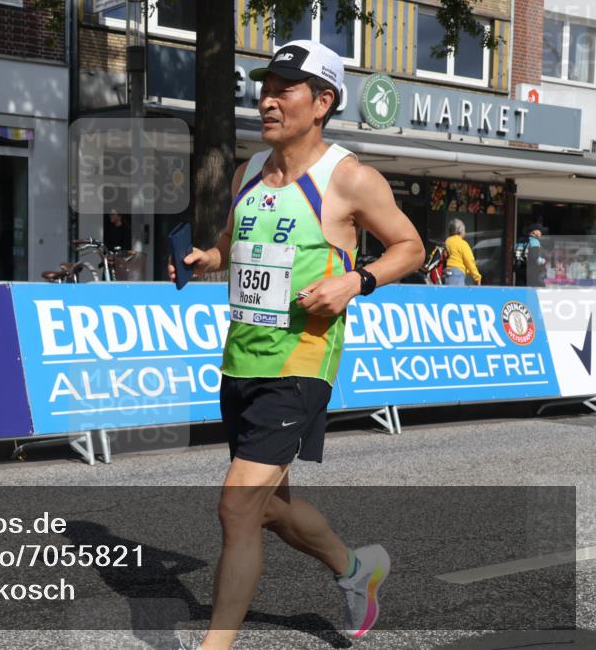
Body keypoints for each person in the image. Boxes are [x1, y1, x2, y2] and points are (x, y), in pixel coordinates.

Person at [169, 40, 424, 649]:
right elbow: (237, 239)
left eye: (285, 88)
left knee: (235, 506)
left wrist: (355, 281)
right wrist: (211, 255)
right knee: (268, 508)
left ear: (322, 102)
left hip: (301, 362)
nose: (267, 99)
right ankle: (356, 569)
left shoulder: (350, 178)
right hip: (242, 357)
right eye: (266, 87)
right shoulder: (248, 172)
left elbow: (410, 248)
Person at [443, 219, 481, 285]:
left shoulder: (447, 241)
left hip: (446, 273)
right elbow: (469, 261)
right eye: (464, 230)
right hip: (457, 274)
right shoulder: (462, 244)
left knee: (449, 294)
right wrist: (477, 277)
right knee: (458, 294)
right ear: (461, 230)